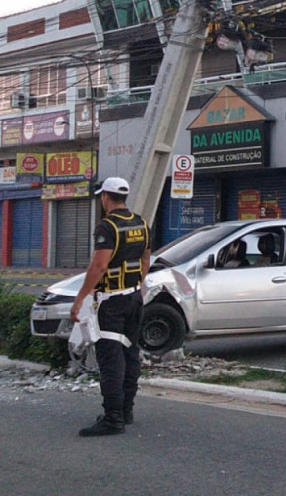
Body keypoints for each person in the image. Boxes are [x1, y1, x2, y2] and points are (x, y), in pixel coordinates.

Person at [70, 177, 152, 436]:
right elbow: (146, 261)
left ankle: (112, 418)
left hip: (112, 302)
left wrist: (80, 298)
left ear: (106, 197)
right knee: (130, 353)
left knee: (110, 357)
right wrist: (135, 287)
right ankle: (125, 411)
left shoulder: (108, 227)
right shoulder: (141, 223)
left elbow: (99, 266)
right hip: (134, 298)